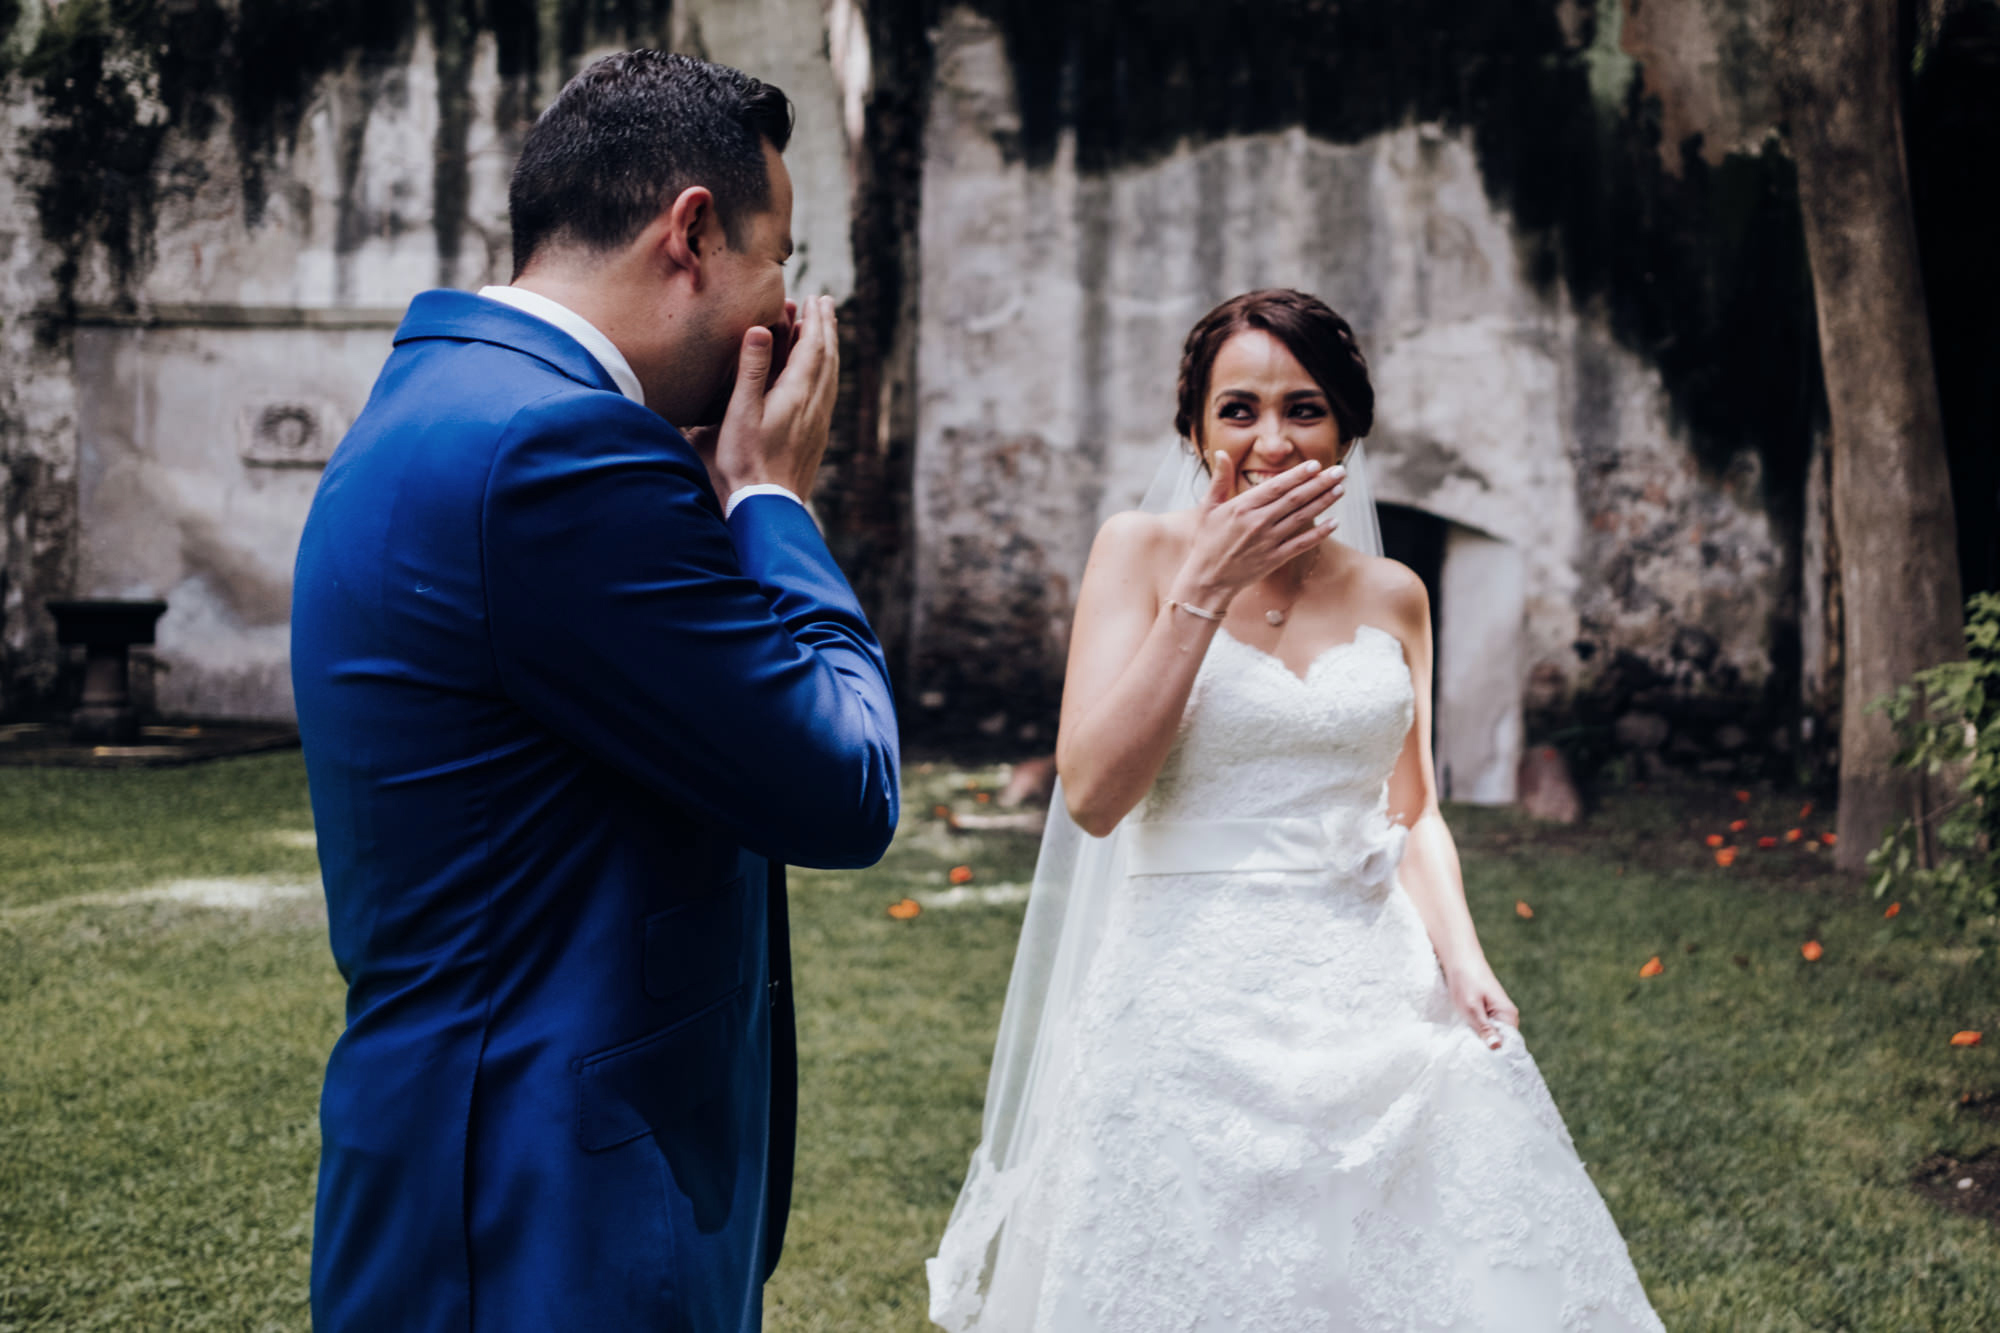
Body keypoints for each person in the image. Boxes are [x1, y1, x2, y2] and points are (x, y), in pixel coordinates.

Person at [292, 51, 900, 1332]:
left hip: (466, 1165)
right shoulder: (561, 452)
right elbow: (844, 781)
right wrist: (775, 502)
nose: (787, 315)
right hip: (544, 1210)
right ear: (689, 232)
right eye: (778, 260)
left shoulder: (450, 397)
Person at [928, 290, 1662, 1331]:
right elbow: (1092, 795)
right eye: (1237, 409)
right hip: (1183, 995)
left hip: (1367, 985)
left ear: (1347, 429)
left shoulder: (1395, 593)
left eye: (1303, 407)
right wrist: (1202, 587)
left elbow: (1411, 810)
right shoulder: (1134, 552)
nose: (1270, 439)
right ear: (1192, 431)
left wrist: (1461, 956)